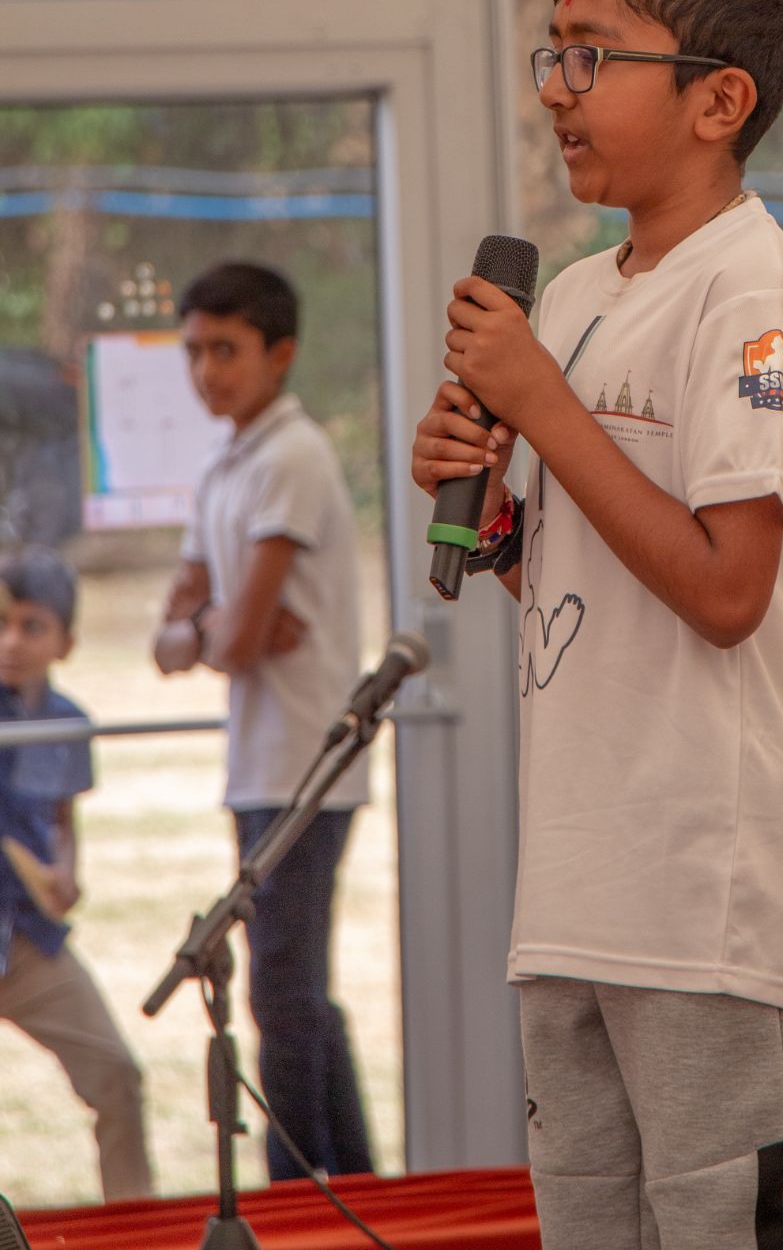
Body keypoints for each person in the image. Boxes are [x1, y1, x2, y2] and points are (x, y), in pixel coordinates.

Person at [411, 0, 783, 1249]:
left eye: (593, 56)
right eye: (553, 52)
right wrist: (487, 518)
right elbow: (577, 579)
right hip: (577, 886)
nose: (557, 89)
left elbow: (726, 592)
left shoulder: (751, 294)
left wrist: (543, 410)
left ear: (720, 98)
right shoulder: (579, 293)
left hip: (704, 897)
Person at [152, 261, 373, 1183]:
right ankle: (353, 1190)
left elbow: (224, 633)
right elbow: (177, 637)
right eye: (195, 351)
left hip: (306, 770)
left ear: (279, 355)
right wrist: (218, 627)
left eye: (226, 350)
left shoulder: (292, 454)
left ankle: (299, 1206)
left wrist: (216, 629)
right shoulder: (224, 461)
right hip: (261, 767)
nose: (207, 370)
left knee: (284, 999)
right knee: (296, 998)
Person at [0, 547, 154, 1202]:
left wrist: (64, 875)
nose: (11, 642)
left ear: (66, 641)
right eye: (1, 622)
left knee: (116, 1074)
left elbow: (62, 823)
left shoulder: (67, 723)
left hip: (29, 943)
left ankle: (136, 1228)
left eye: (31, 626)